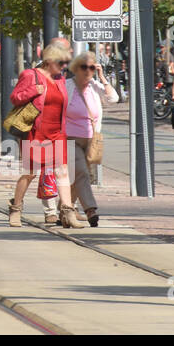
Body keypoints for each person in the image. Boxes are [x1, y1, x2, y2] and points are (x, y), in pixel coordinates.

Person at [6, 42, 86, 229]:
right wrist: (33, 90)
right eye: (60, 62)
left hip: (57, 132)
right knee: (30, 173)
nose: (63, 66)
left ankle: (67, 213)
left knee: (62, 172)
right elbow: (14, 97)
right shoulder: (30, 75)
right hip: (35, 132)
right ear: (49, 60)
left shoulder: (59, 79)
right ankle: (16, 208)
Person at [65, 52, 117, 228]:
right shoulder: (67, 86)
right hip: (69, 138)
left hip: (91, 140)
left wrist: (102, 77)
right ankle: (90, 210)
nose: (88, 71)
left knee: (77, 178)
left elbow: (113, 99)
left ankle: (65, 209)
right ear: (76, 69)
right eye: (84, 67)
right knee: (83, 174)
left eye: (92, 68)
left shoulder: (95, 86)